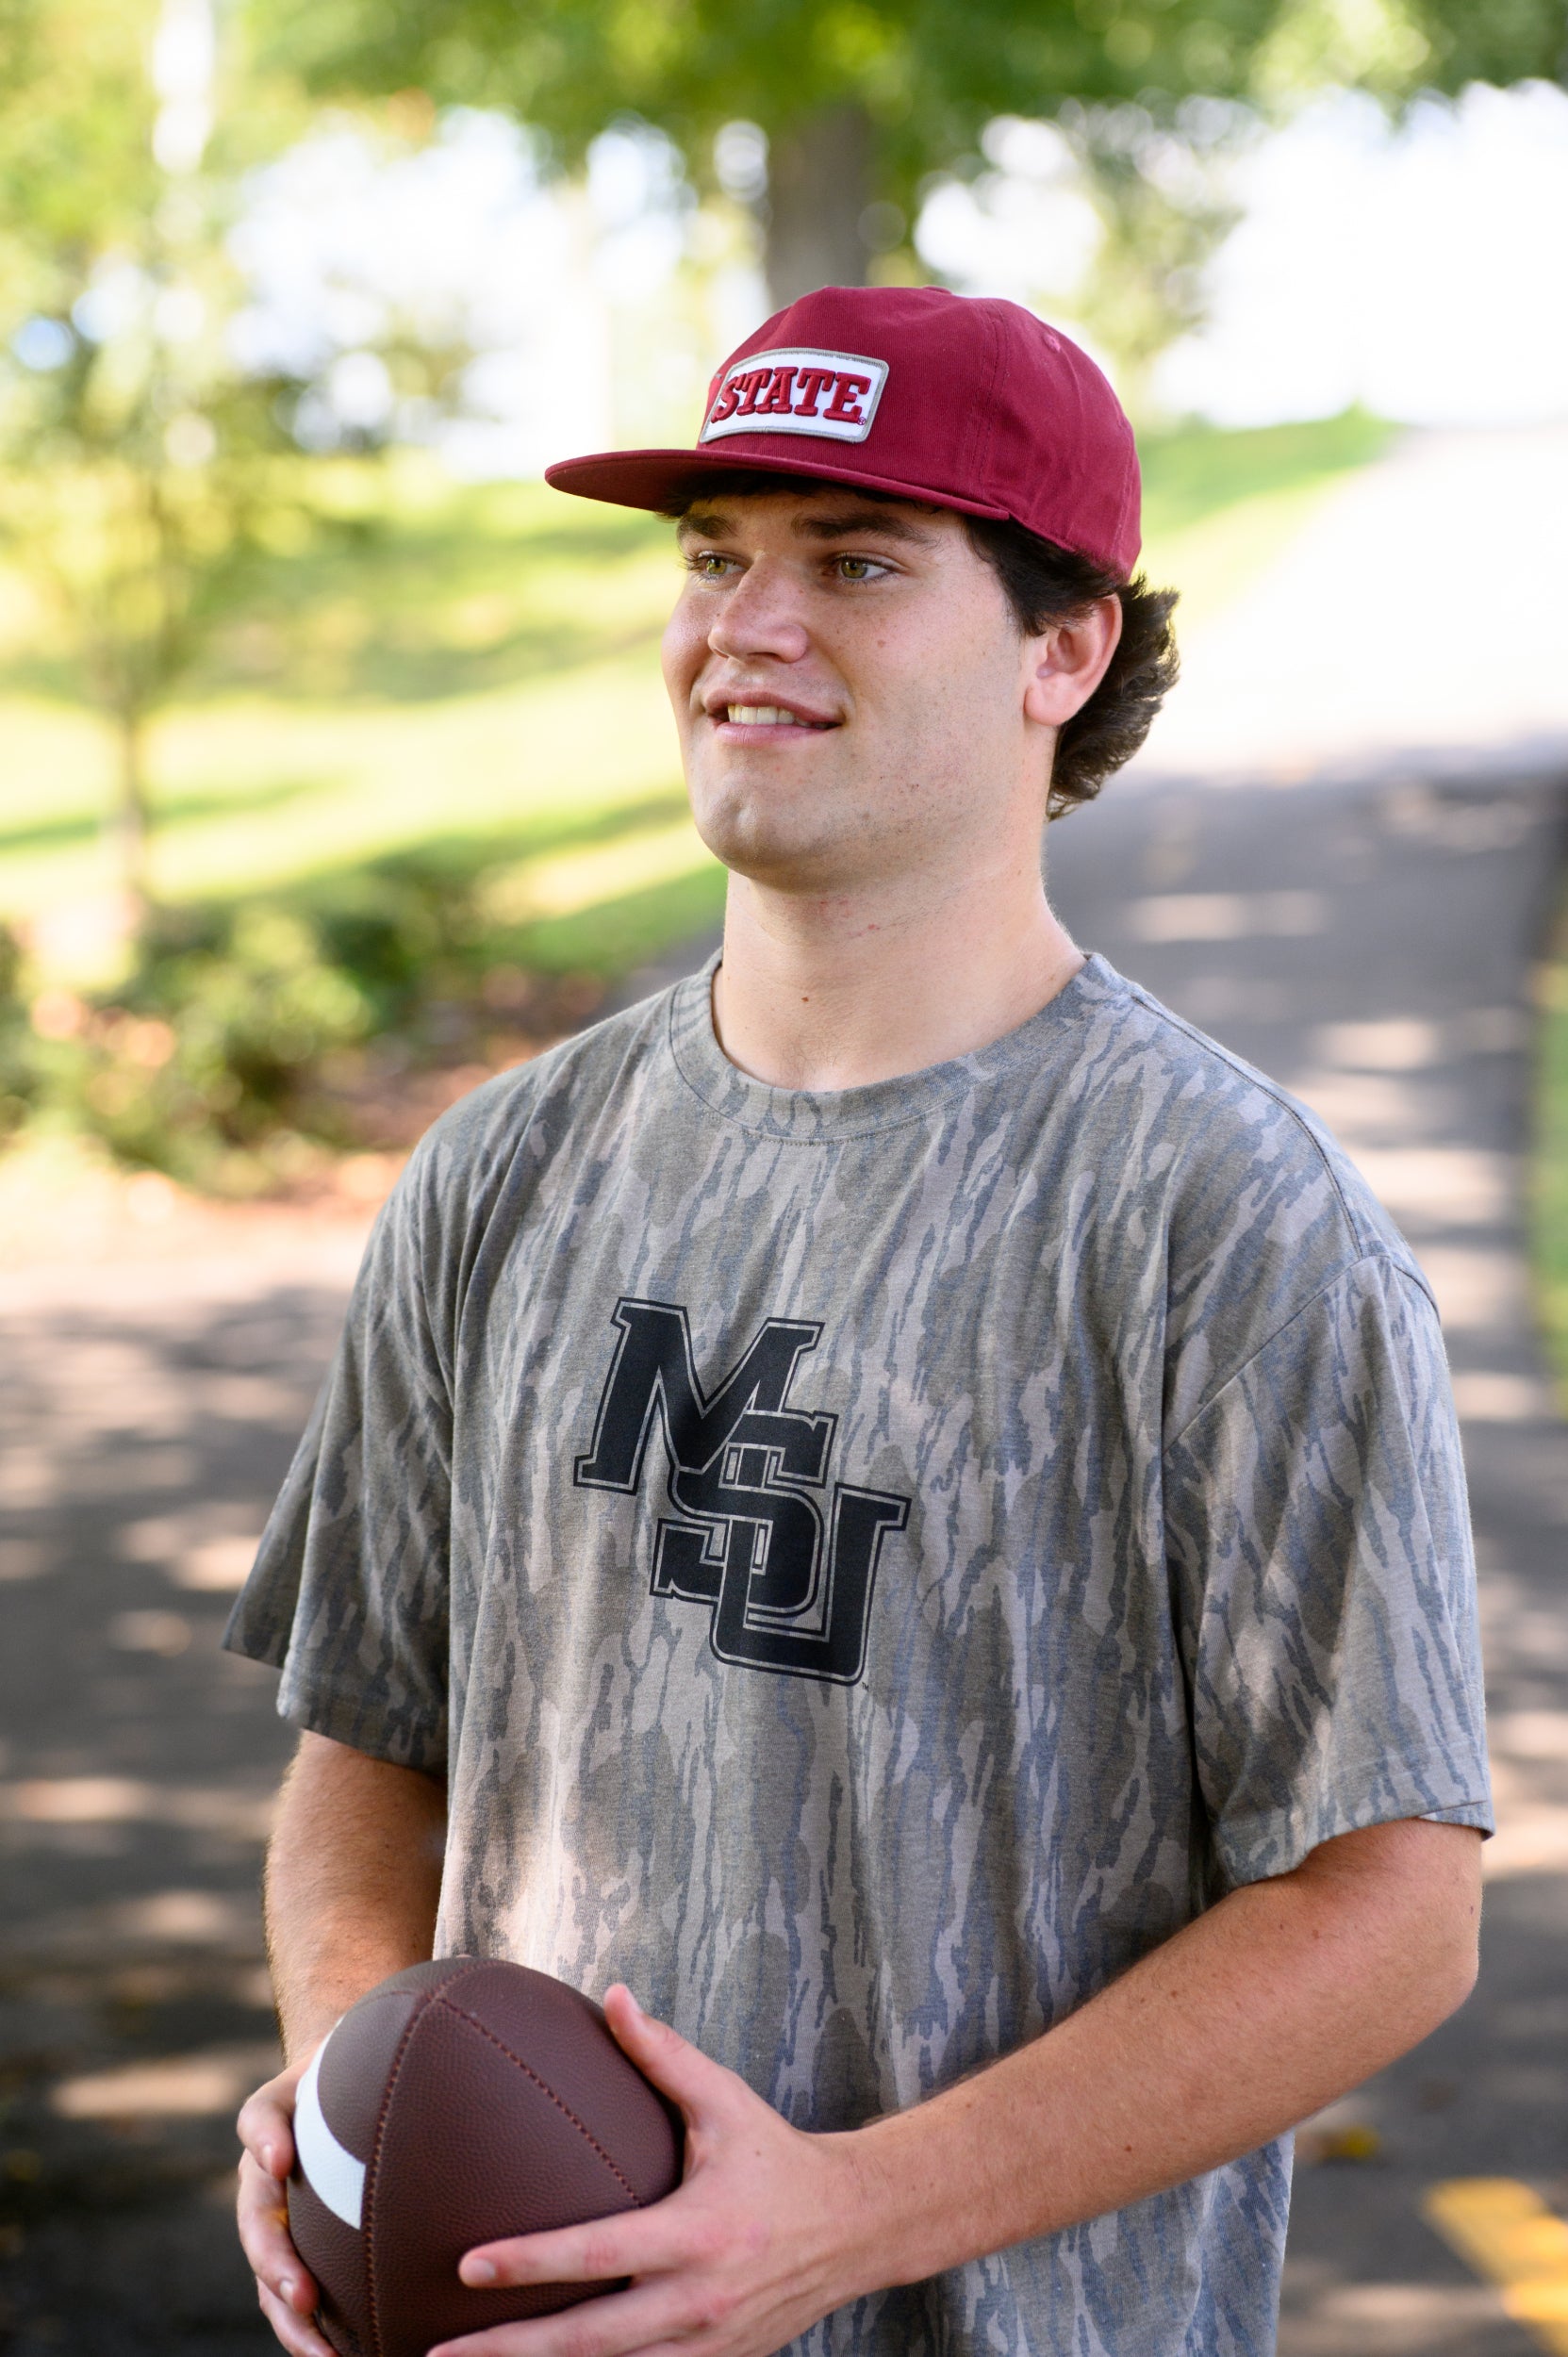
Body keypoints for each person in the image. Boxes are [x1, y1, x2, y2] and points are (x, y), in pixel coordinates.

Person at [228, 286, 1491, 2357]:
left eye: (858, 562)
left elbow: (1386, 1909)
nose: (748, 622)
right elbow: (373, 1738)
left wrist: (843, 2216)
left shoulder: (1224, 1223)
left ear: (1060, 648)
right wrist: (374, 2093)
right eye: (714, 555)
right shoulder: (503, 1171)